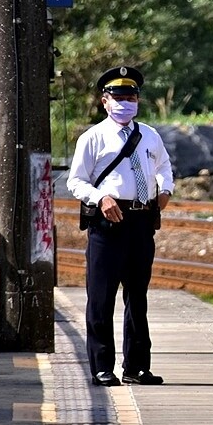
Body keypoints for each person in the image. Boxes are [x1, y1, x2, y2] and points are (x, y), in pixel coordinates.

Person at [67, 65, 174, 387]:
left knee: (137, 298)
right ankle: (102, 367)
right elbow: (75, 181)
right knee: (101, 298)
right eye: (119, 97)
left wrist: (165, 189)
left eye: (131, 97)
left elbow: (164, 165)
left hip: (142, 222)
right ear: (104, 101)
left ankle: (137, 367)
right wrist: (100, 198)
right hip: (108, 223)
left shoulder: (149, 134)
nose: (125, 103)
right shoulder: (93, 137)